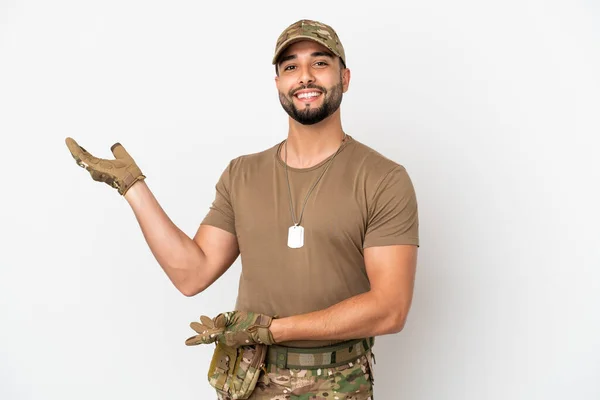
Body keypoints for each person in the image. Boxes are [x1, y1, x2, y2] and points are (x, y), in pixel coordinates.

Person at [65, 19, 419, 400]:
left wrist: (273, 330)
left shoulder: (383, 178)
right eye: (290, 67)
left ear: (344, 77)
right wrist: (133, 187)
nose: (304, 77)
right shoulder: (242, 173)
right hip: (248, 383)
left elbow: (389, 308)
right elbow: (192, 274)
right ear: (278, 84)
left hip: (339, 384)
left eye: (320, 63)